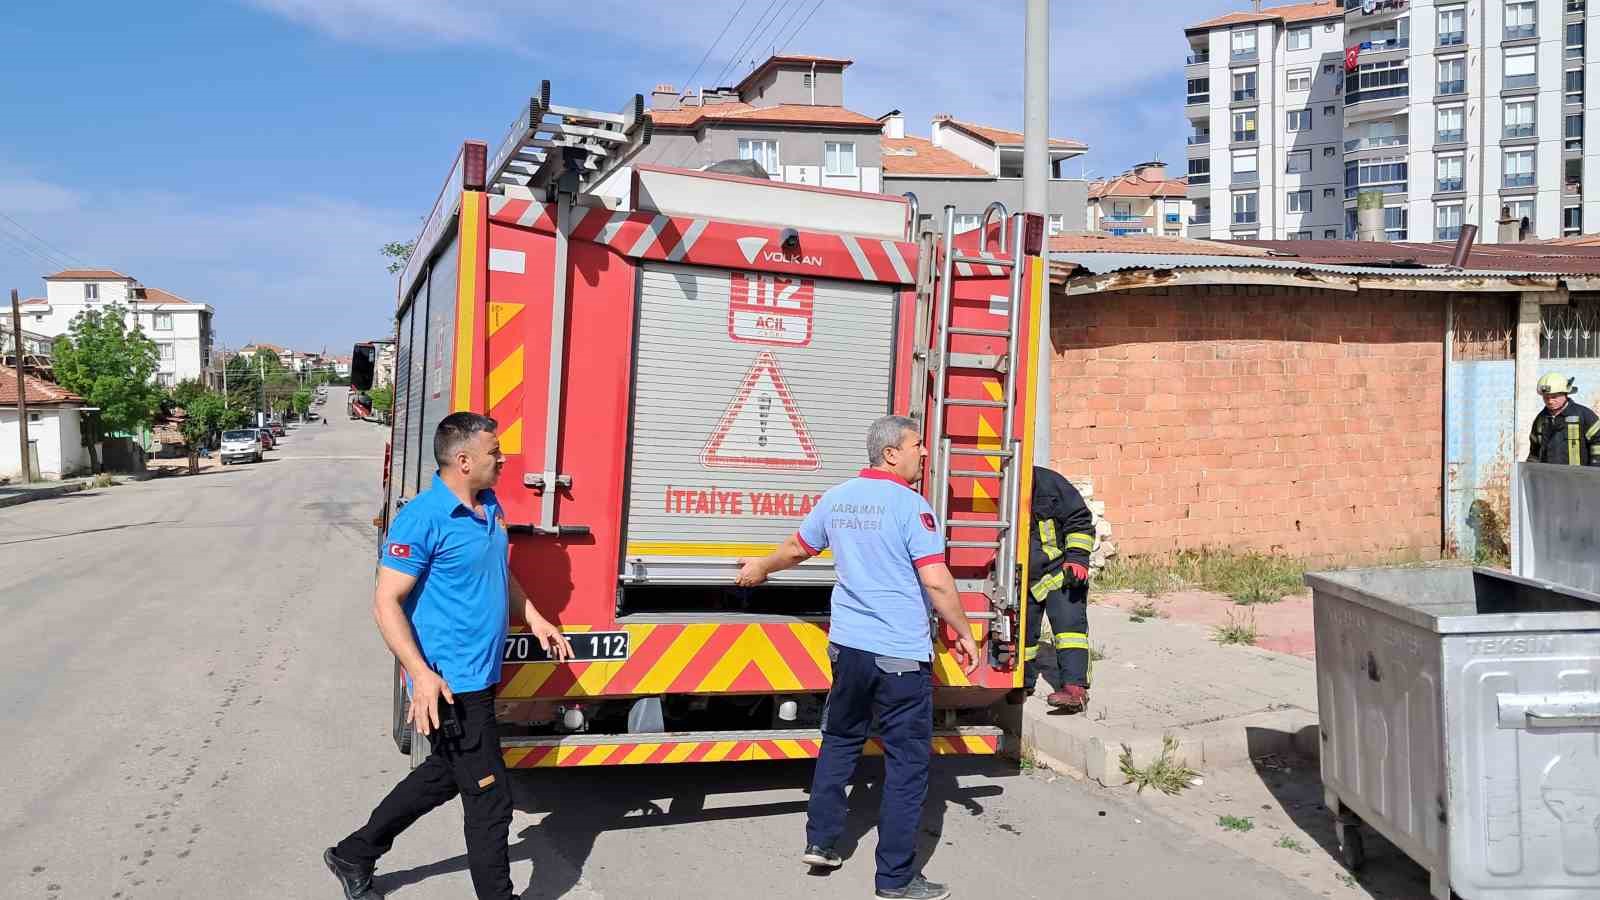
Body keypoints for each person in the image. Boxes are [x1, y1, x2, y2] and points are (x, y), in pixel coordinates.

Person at [324, 412, 573, 900]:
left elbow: (498, 574)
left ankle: (354, 853)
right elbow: (385, 601)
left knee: (442, 775)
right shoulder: (423, 518)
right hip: (449, 682)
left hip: (481, 676)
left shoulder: (488, 505)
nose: (502, 459)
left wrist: (537, 618)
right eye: (493, 452)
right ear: (463, 460)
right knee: (491, 801)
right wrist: (420, 674)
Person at [736, 414, 978, 900]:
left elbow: (797, 549)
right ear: (891, 453)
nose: (924, 453)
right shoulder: (912, 507)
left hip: (849, 649)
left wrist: (761, 566)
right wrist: (965, 631)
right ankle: (895, 879)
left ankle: (822, 841)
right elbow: (935, 580)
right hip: (900, 657)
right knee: (907, 766)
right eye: (917, 445)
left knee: (841, 740)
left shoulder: (838, 498)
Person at [1021, 466, 1096, 713]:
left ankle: (1075, 689)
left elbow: (1079, 519)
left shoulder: (1050, 484)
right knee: (1023, 634)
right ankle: (1022, 683)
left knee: (1069, 629)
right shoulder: (996, 485)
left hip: (1060, 573)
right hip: (1021, 579)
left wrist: (1077, 559)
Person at [1528, 372, 1600, 467]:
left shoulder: (1584, 415)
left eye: (1554, 397)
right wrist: (1531, 470)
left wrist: (1594, 469)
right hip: (1549, 477)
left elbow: (1598, 440)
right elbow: (1535, 452)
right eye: (1546, 397)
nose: (1550, 401)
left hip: (1579, 478)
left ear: (1565, 394)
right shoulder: (1540, 420)